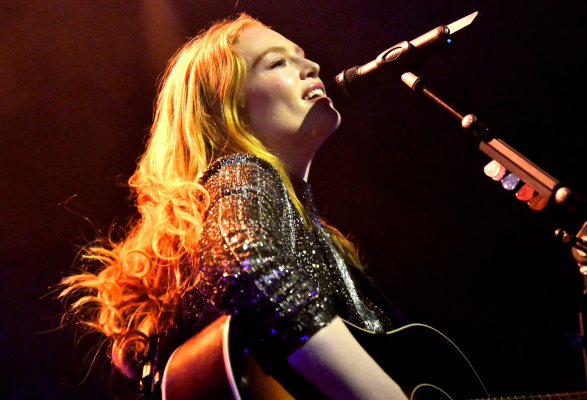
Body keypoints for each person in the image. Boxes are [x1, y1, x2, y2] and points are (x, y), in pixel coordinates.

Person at [60, 14, 408, 400]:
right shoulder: (240, 172)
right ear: (227, 108)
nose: (312, 67)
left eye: (302, 56)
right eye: (278, 62)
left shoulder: (320, 236)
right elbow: (246, 268)